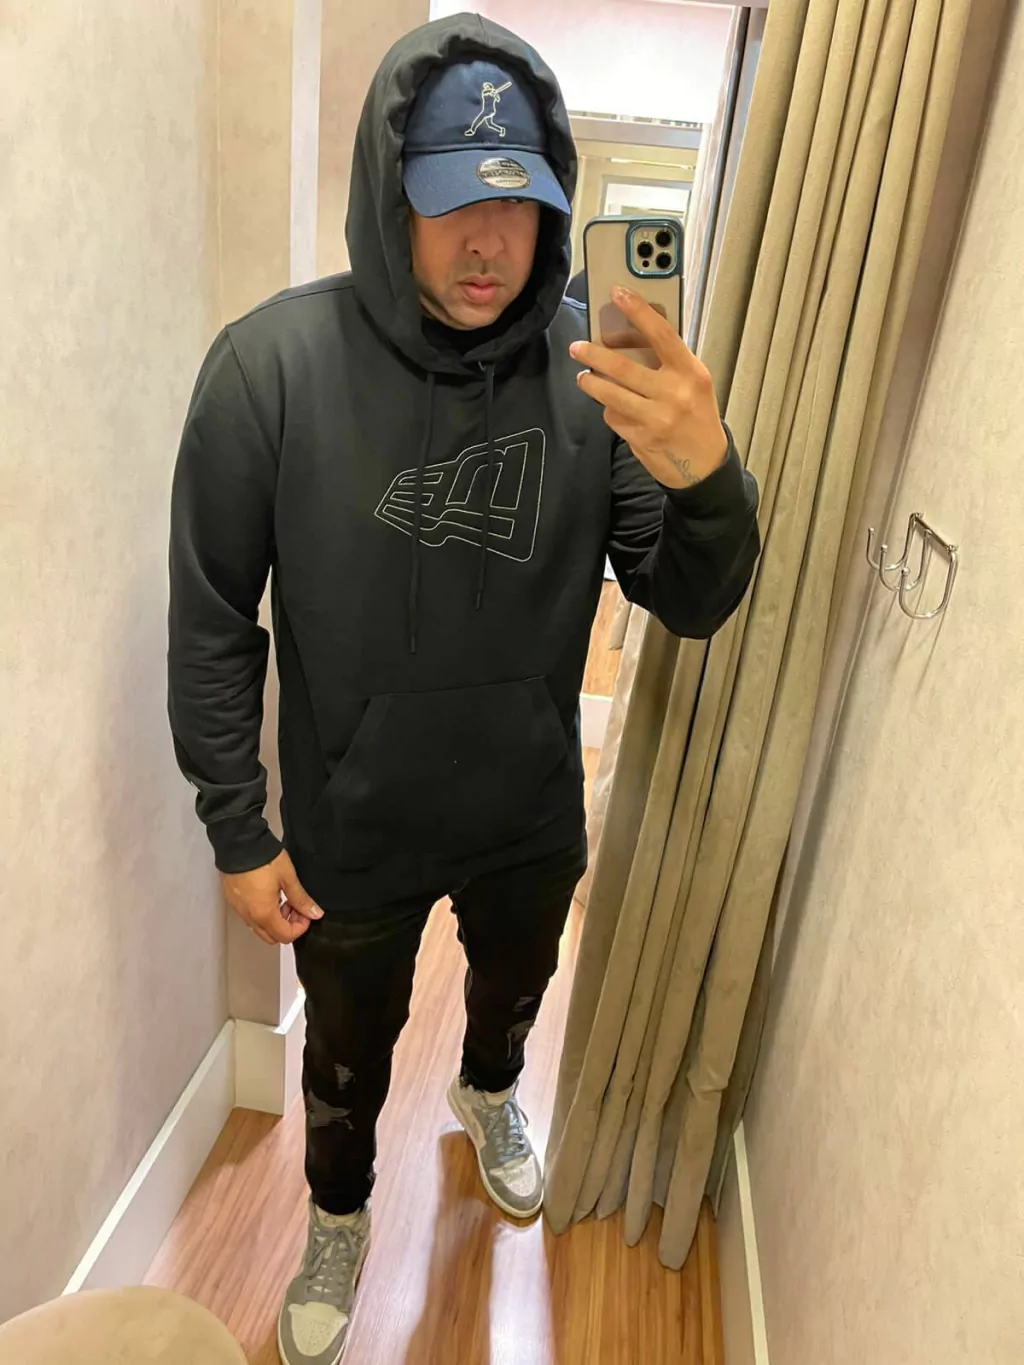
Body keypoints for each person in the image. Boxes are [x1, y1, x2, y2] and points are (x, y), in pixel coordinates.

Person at [168, 14, 759, 1365]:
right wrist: (236, 828)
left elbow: (690, 596)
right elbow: (211, 620)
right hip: (353, 825)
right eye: (451, 200)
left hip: (527, 812)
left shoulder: (595, 379)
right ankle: (336, 1215)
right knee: (344, 1061)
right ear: (393, 198)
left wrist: (707, 479)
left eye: (518, 199)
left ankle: (490, 1093)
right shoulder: (268, 371)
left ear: (555, 199)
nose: (488, 241)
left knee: (510, 998)